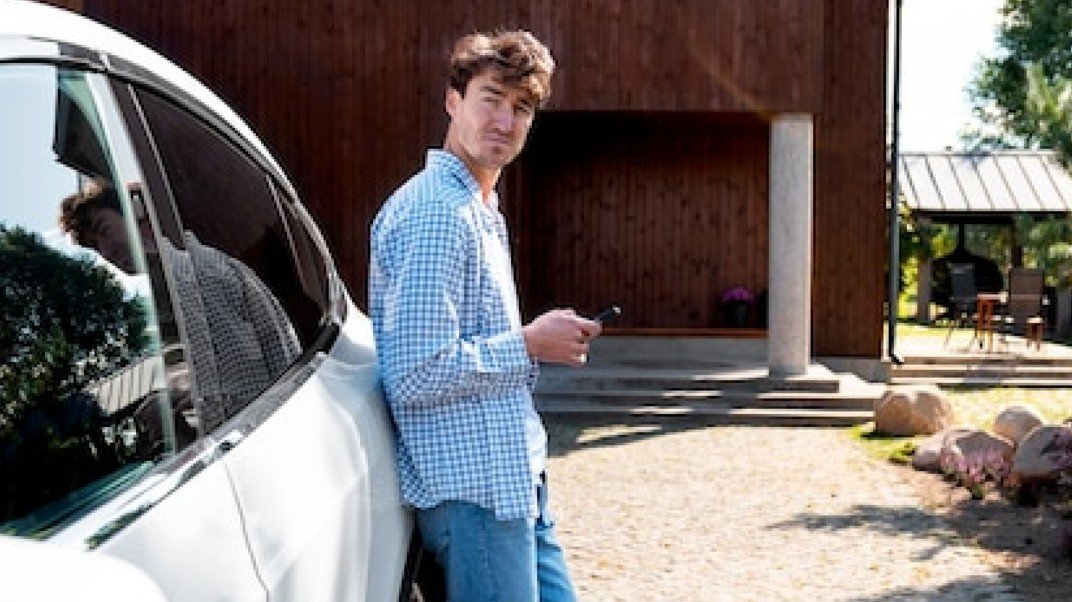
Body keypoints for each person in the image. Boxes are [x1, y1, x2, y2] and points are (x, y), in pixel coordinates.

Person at [369, 30, 598, 602]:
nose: (504, 120)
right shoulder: (437, 214)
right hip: (475, 501)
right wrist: (528, 343)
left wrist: (534, 338)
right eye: (491, 98)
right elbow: (415, 373)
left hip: (515, 486)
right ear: (453, 102)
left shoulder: (478, 207)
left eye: (521, 107)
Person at [59, 179, 300, 434]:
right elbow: (238, 377)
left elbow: (252, 398)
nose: (106, 251)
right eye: (96, 247)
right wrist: (188, 398)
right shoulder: (189, 270)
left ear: (138, 211)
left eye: (104, 230)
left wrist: (177, 422)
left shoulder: (193, 278)